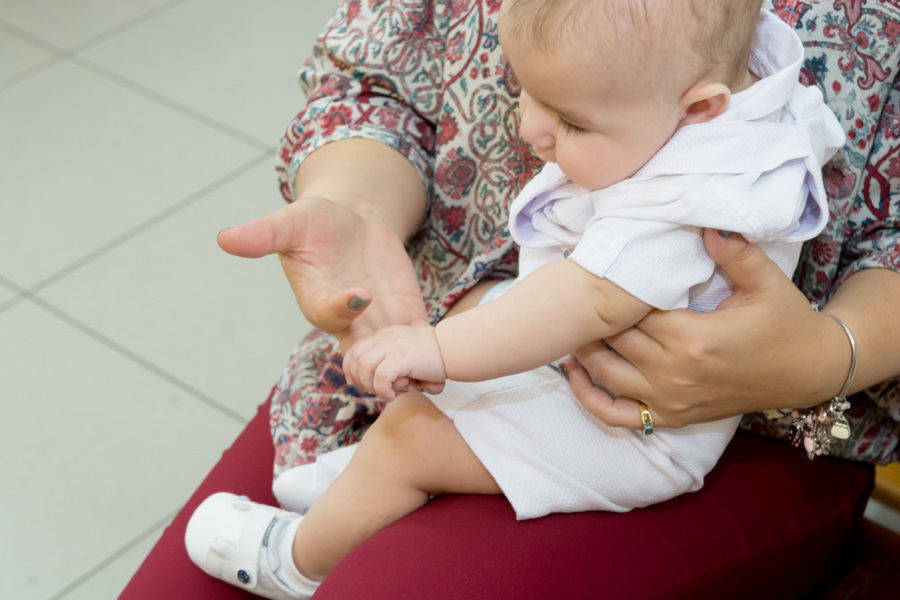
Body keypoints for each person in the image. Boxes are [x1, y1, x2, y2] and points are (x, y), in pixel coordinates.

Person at [175, 0, 900, 598]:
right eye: (523, 88)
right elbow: (373, 76)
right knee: (434, 393)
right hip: (567, 363)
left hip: (642, 431)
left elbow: (574, 305)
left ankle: (296, 562)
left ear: (700, 109)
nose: (531, 129)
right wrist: (357, 206)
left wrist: (434, 347)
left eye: (572, 121)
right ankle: (361, 486)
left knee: (408, 436)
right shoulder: (728, 81)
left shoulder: (688, 207)